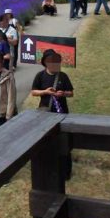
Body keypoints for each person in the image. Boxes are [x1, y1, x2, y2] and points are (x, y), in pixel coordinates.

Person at [30, 49, 74, 178]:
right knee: (45, 141)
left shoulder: (63, 76)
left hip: (61, 113)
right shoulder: (40, 76)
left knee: (63, 141)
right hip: (45, 113)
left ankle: (66, 172)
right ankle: (48, 168)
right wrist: (45, 92)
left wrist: (63, 93)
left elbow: (71, 93)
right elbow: (33, 92)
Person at [0, 12, 19, 122]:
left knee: (9, 78)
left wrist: (6, 39)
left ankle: (12, 107)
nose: (3, 23)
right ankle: (2, 102)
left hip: (9, 58)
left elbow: (15, 42)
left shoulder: (12, 30)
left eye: (5, 20)